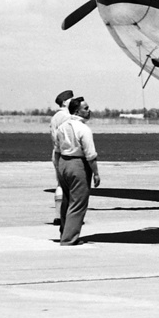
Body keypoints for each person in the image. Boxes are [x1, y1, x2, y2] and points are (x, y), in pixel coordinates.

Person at [53, 96, 99, 246]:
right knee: (78, 202)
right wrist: (96, 173)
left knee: (67, 201)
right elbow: (90, 155)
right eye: (85, 108)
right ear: (77, 111)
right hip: (78, 164)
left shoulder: (62, 127)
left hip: (63, 163)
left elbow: (57, 149)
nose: (89, 110)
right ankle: (69, 238)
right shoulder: (83, 129)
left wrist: (59, 168)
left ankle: (64, 233)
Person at [49, 89, 75, 226]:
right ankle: (67, 217)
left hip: (56, 152)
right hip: (67, 153)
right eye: (71, 99)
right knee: (71, 186)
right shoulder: (67, 117)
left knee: (60, 183)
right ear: (65, 102)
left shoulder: (55, 117)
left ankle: (58, 216)